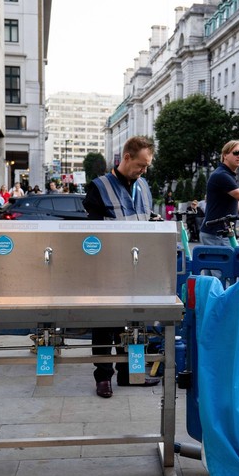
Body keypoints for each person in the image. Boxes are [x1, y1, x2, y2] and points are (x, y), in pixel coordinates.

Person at [82, 136, 160, 398]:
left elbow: (144, 217)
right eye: (141, 165)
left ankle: (130, 374)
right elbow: (92, 233)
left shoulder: (145, 186)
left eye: (147, 166)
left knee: (134, 324)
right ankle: (103, 377)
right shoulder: (99, 187)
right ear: (126, 158)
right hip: (107, 268)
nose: (144, 170)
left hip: (137, 267)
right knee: (104, 324)